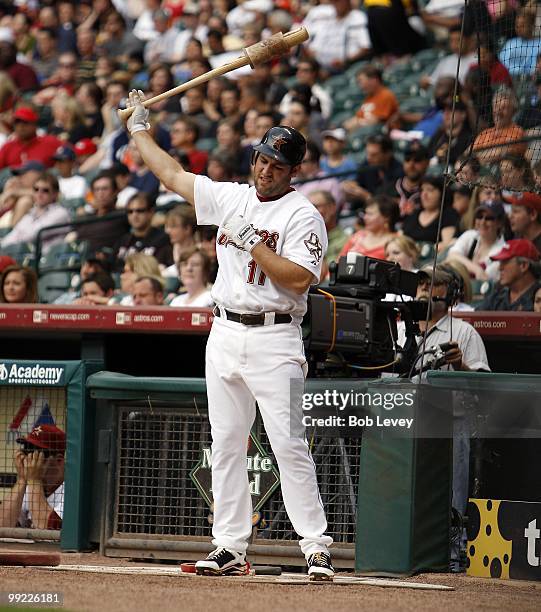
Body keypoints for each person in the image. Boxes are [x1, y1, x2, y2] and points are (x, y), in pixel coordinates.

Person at [125, 90, 334, 580]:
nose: (266, 169)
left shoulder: (303, 214)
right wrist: (138, 130)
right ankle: (229, 545)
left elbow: (301, 279)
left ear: (293, 171)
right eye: (263, 159)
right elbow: (172, 175)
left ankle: (315, 545)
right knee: (226, 443)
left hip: (275, 336)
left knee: (286, 444)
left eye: (277, 164)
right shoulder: (233, 196)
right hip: (224, 331)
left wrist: (253, 245)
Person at [0, 424, 65, 529]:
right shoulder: (28, 487)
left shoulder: (72, 492)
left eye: (37, 455)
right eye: (27, 452)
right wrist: (22, 479)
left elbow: (48, 529)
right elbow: (2, 525)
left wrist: (35, 480)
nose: (30, 461)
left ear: (59, 460)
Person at [0, 172, 71, 253]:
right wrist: (3, 246)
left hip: (45, 259)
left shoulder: (61, 213)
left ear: (55, 194)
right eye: (36, 189)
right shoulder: (32, 212)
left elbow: (32, 235)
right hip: (25, 255)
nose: (39, 194)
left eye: (45, 190)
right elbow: (15, 233)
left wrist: (14, 241)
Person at [445, 200, 507, 281]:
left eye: (489, 218)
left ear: (499, 223)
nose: (482, 222)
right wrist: (476, 269)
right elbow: (451, 256)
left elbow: (484, 278)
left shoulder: (502, 249)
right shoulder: (471, 235)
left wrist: (461, 263)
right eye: (479, 216)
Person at [476, 239, 540, 311]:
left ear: (523, 265)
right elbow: (473, 319)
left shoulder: (538, 297)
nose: (499, 268)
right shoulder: (497, 297)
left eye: (505, 262)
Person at [402, 175, 459, 252]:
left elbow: (446, 244)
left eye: (430, 190)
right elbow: (402, 239)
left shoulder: (448, 214)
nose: (424, 194)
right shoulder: (414, 214)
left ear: (441, 193)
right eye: (422, 190)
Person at [113, 192, 172, 267]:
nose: (134, 215)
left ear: (151, 212)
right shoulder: (123, 240)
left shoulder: (163, 239)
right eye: (130, 212)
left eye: (140, 211)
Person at [340, 195, 399, 260]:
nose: (365, 217)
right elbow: (339, 261)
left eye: (370, 214)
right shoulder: (357, 236)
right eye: (365, 213)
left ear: (386, 217)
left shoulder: (397, 242)